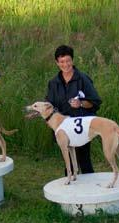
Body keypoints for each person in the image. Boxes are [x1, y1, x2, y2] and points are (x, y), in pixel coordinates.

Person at [46, 45, 102, 174]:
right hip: (63, 129)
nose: (65, 65)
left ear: (72, 60)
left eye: (68, 60)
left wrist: (81, 103)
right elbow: (49, 105)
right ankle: (70, 190)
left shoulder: (83, 79)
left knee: (84, 160)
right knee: (68, 161)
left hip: (81, 127)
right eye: (62, 61)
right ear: (57, 63)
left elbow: (95, 102)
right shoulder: (53, 83)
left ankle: (91, 190)